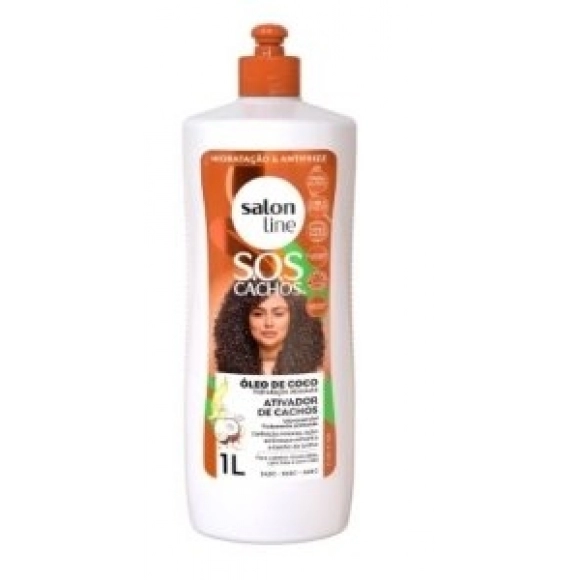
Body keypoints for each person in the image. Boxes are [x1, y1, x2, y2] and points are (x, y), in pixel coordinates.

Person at [214, 281, 324, 375]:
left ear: (296, 318)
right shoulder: (227, 374)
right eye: (258, 314)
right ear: (241, 319)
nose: (268, 323)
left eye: (278, 314)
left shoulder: (312, 373)